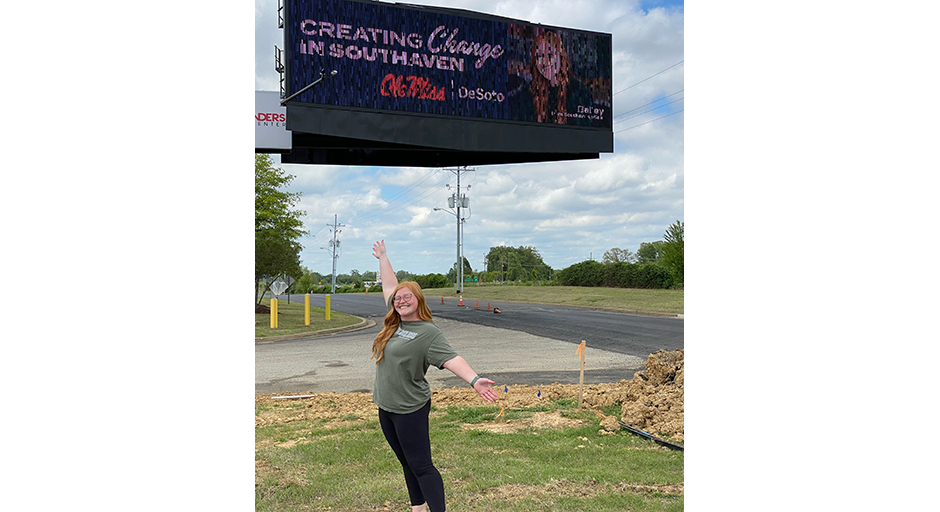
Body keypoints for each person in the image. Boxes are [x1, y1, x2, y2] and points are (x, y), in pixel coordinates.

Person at [371, 240, 498, 512]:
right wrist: (383, 256)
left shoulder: (428, 333)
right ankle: (417, 508)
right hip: (387, 407)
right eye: (398, 298)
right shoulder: (395, 321)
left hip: (410, 409)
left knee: (422, 466)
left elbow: (452, 359)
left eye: (408, 297)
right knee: (406, 462)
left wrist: (475, 381)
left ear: (419, 301)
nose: (401, 300)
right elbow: (389, 286)